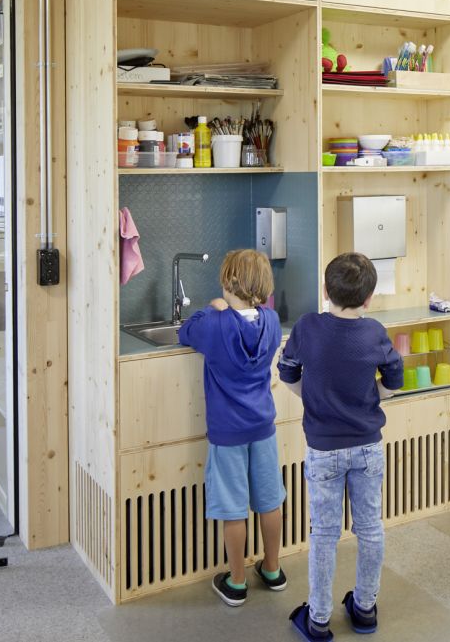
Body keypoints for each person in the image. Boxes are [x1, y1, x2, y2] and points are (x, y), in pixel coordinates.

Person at [279, 252, 404, 641]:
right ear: (369, 299)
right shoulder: (374, 332)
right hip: (368, 446)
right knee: (370, 529)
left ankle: (318, 619)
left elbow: (287, 371)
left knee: (324, 533)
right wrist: (372, 398)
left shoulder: (307, 327)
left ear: (325, 290)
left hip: (322, 449)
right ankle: (364, 609)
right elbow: (395, 377)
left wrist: (311, 398)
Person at [177, 249, 286, 607]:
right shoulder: (271, 321)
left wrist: (211, 308)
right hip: (263, 428)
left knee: (233, 508)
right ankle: (272, 569)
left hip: (227, 434)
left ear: (229, 283)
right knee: (270, 501)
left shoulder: (215, 324)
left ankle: (236, 581)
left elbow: (185, 332)